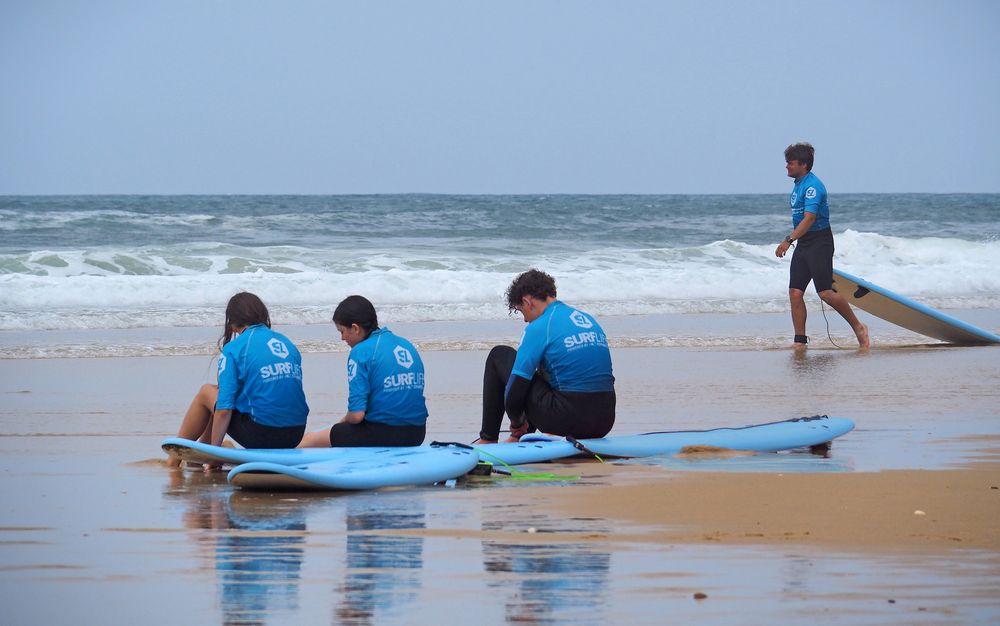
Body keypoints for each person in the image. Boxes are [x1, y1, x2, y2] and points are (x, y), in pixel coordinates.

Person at [168, 292, 309, 468]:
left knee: (207, 392)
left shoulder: (234, 348)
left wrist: (215, 457)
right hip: (295, 433)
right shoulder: (287, 343)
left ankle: (174, 461)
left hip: (263, 435)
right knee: (218, 396)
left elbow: (224, 410)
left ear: (233, 324)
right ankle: (198, 457)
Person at [476, 269, 616, 444]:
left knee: (499, 355)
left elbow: (514, 393)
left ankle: (489, 439)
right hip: (604, 420)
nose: (525, 320)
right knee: (547, 367)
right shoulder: (587, 319)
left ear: (527, 302)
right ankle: (522, 435)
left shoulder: (541, 326)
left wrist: (517, 423)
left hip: (568, 421)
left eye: (521, 311)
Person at [775, 142, 870, 350]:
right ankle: (800, 341)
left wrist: (788, 240)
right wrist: (795, 241)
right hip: (805, 243)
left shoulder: (813, 187)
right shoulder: (798, 184)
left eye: (790, 163)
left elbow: (809, 219)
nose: (787, 167)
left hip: (820, 242)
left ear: (804, 164)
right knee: (795, 292)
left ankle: (859, 327)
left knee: (825, 292)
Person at [298, 295, 428, 448]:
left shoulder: (360, 352)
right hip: (417, 433)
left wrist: (339, 425)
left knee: (310, 439)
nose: (342, 338)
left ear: (355, 328)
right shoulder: (406, 345)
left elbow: (356, 416)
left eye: (342, 331)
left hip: (385, 434)